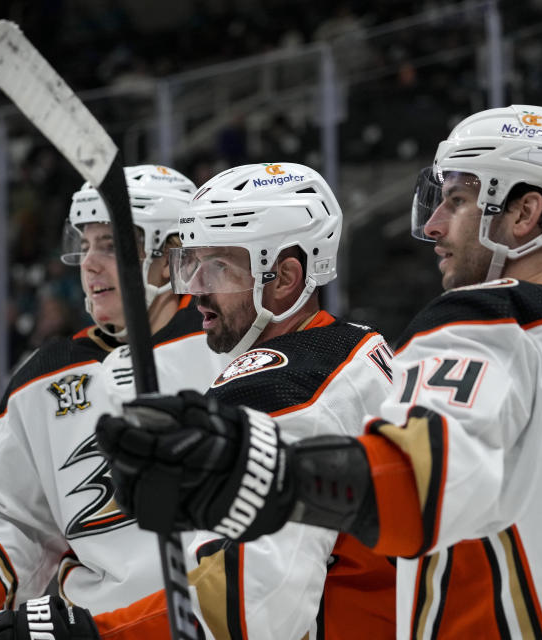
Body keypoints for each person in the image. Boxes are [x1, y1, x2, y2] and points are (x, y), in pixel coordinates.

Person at [96, 105, 542, 638]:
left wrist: (256, 470)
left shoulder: (490, 318)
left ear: (525, 214)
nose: (433, 225)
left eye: (456, 200)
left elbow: (420, 480)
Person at [0, 165, 231, 639]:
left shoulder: (232, 347)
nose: (89, 263)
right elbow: (19, 524)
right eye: (84, 245)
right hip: (89, 630)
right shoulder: (42, 377)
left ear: (170, 258)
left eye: (110, 245)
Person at [96, 162, 396, 638]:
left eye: (218, 266)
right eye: (190, 264)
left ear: (285, 279)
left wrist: (90, 633)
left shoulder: (283, 383)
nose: (194, 289)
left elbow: (252, 607)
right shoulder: (354, 345)